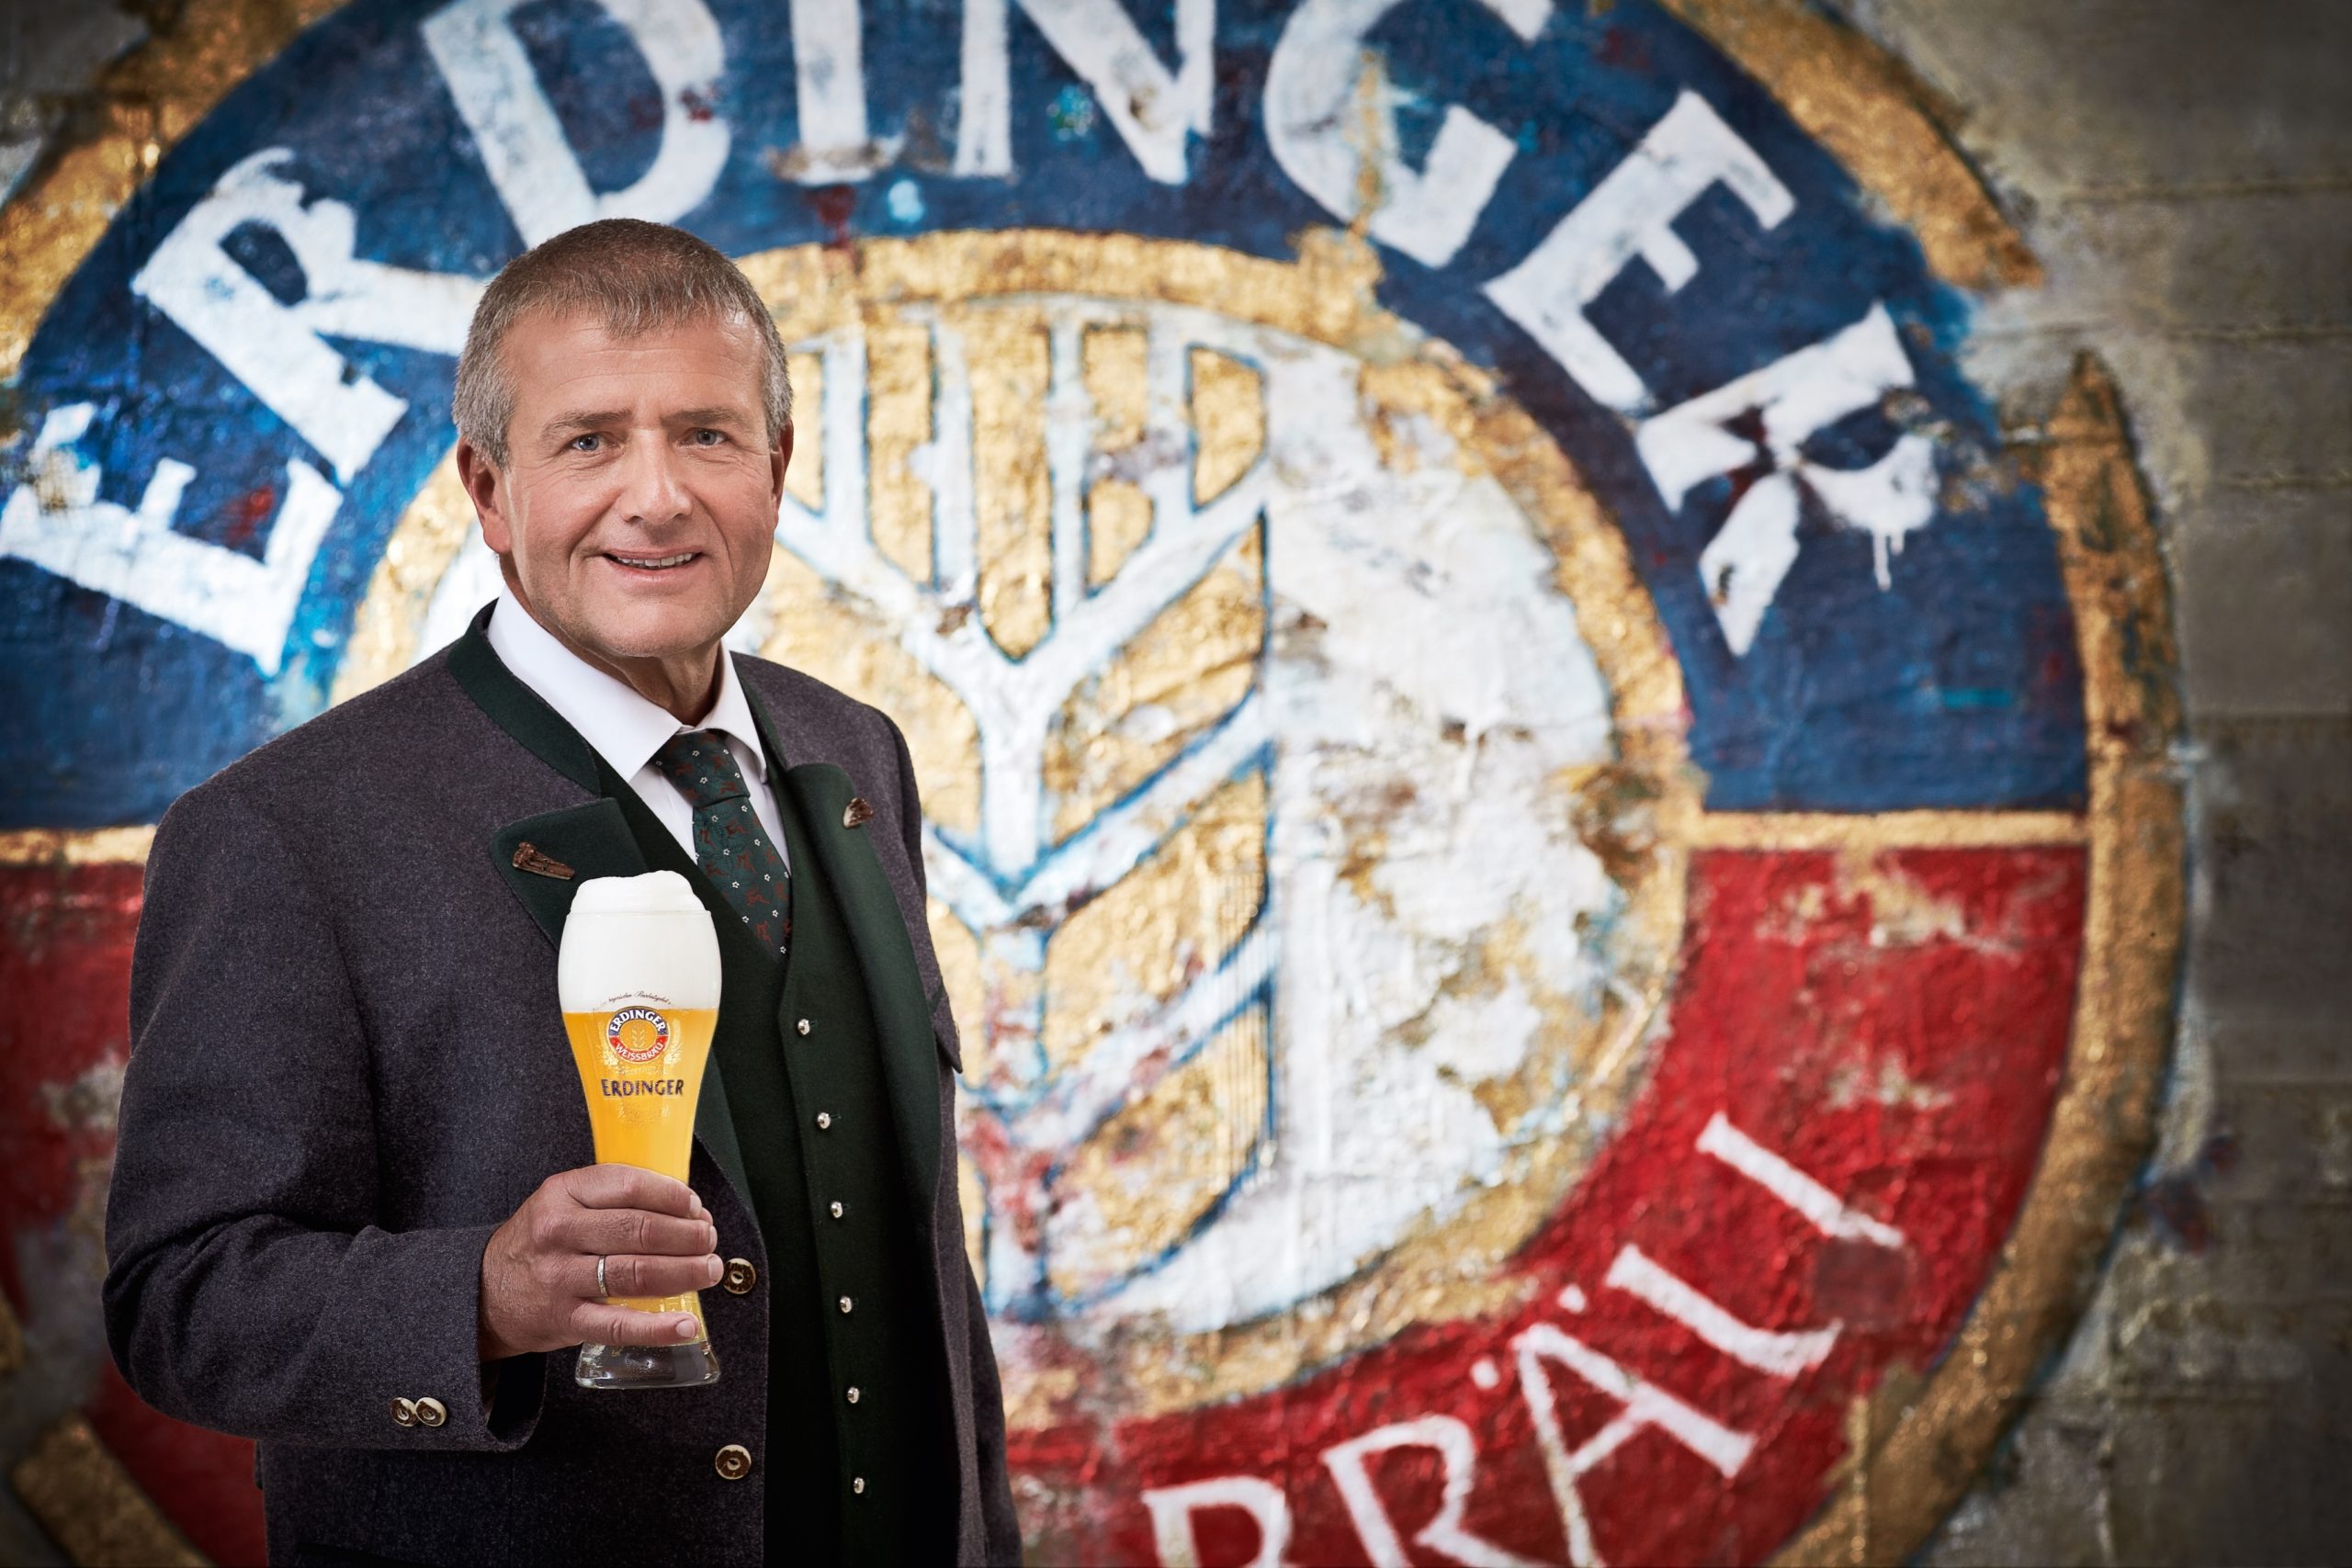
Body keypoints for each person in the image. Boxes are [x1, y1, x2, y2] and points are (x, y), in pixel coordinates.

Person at [104, 220, 1019, 1566]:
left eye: (706, 435)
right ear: (489, 492)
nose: (657, 497)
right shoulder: (283, 830)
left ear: (776, 467)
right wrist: (479, 1296)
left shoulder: (858, 751)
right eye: (589, 441)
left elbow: (915, 1257)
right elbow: (181, 1304)